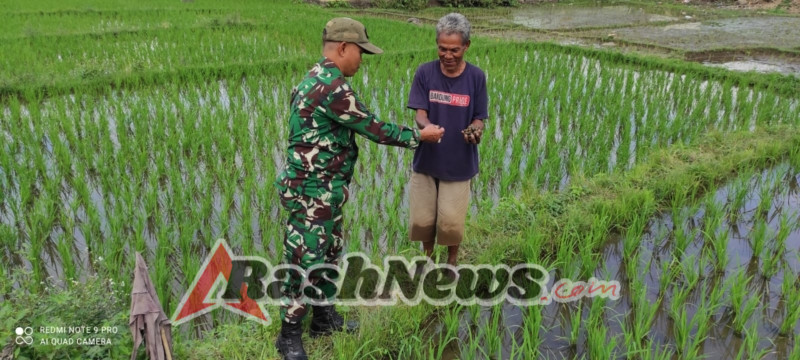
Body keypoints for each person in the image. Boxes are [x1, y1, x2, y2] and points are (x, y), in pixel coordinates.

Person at [274, 17, 445, 360]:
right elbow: (373, 128)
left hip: (324, 189)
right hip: (312, 191)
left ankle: (323, 319)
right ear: (343, 48)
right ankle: (288, 334)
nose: (362, 60)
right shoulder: (332, 87)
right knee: (306, 259)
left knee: (329, 251)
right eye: (360, 52)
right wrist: (419, 136)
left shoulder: (314, 77)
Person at [407, 13, 488, 277]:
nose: (448, 55)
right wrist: (427, 127)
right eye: (442, 48)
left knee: (451, 221)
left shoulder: (476, 77)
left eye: (454, 50)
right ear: (437, 44)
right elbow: (420, 114)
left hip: (458, 161)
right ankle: (427, 258)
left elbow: (479, 117)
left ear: (467, 46)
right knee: (422, 219)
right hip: (427, 159)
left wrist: (475, 130)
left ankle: (452, 261)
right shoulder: (425, 72)